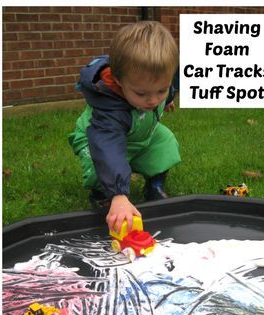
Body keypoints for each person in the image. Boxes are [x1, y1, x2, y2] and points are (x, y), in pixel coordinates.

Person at [69, 20, 181, 233]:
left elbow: (168, 85)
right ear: (119, 81)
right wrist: (119, 194)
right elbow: (107, 147)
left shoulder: (156, 86)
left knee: (165, 141)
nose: (152, 100)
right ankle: (104, 195)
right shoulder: (109, 107)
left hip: (139, 136)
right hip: (100, 141)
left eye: (161, 90)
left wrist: (168, 99)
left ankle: (155, 185)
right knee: (99, 167)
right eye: (141, 93)